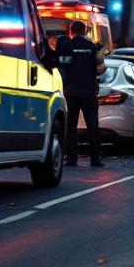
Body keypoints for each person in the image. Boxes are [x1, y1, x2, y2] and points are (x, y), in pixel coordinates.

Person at [48, 19, 107, 167]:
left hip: (71, 92)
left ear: (71, 32)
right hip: (88, 92)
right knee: (93, 126)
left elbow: (61, 66)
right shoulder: (92, 46)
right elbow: (101, 69)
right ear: (84, 31)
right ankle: (95, 159)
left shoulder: (67, 46)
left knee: (71, 126)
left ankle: (71, 158)